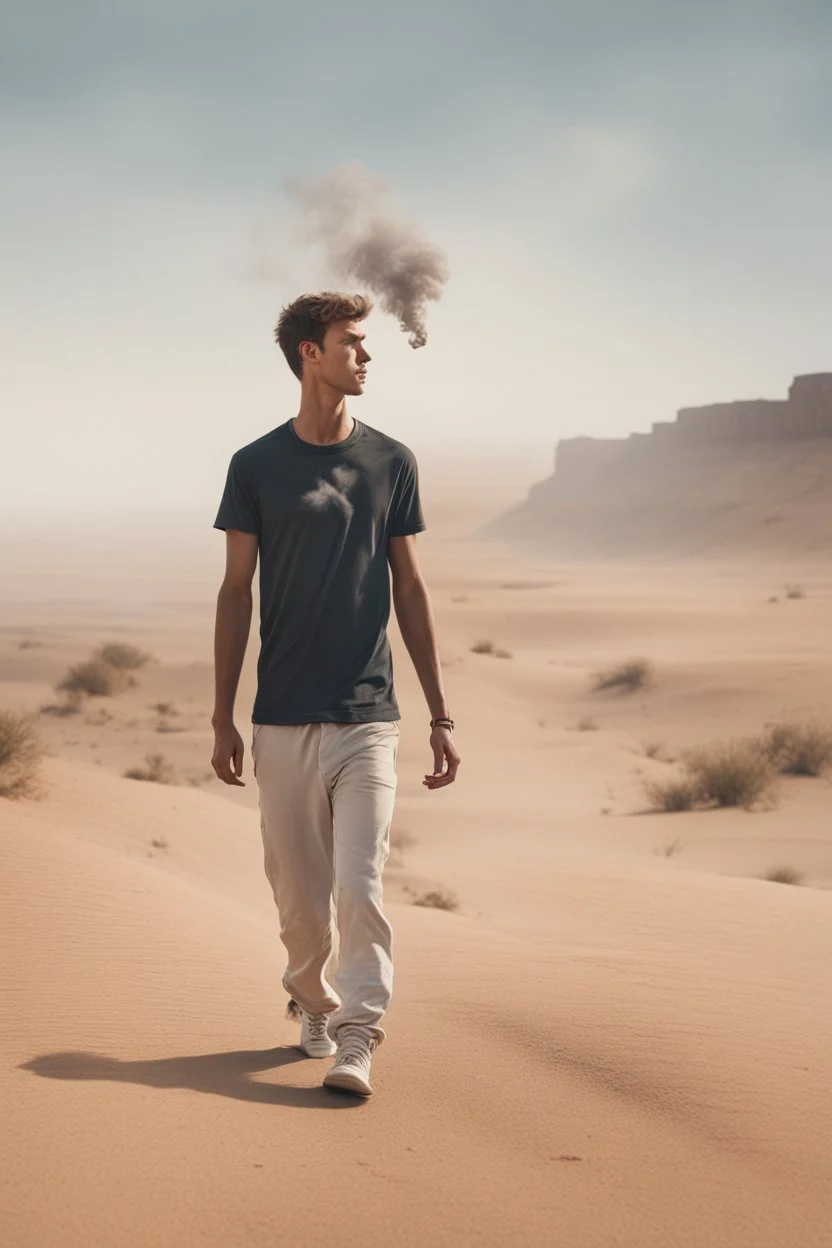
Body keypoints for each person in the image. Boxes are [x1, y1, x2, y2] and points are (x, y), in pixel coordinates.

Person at [210, 291, 460, 1097]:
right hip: (281, 718)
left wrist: (441, 714)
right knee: (300, 906)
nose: (366, 355)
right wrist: (221, 714)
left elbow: (412, 591)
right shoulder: (254, 466)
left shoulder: (392, 461)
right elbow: (234, 593)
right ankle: (310, 1002)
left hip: (367, 717)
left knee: (361, 885)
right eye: (352, 343)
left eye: (367, 343)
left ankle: (357, 1036)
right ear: (309, 354)